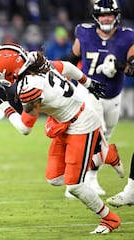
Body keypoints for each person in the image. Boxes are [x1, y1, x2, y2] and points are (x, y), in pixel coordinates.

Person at [0, 43, 121, 234]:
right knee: (55, 178)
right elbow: (67, 67)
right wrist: (88, 83)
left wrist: (3, 104)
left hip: (81, 124)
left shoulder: (28, 86)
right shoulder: (36, 61)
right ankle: (105, 154)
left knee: (74, 185)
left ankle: (110, 219)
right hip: (63, 123)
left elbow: (25, 128)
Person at [63, 0, 134, 196]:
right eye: (102, 14)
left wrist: (119, 66)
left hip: (113, 96)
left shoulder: (127, 37)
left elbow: (132, 67)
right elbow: (72, 58)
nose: (106, 18)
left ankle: (91, 179)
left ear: (116, 15)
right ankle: (74, 181)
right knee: (94, 133)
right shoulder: (84, 32)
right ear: (96, 16)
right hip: (88, 91)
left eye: (109, 14)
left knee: (105, 137)